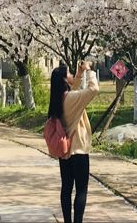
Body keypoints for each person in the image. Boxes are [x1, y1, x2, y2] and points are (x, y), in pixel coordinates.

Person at [49, 61, 100, 223]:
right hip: (78, 149)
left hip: (64, 152)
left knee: (66, 189)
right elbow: (94, 89)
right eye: (69, 74)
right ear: (64, 80)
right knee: (81, 190)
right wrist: (89, 71)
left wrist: (78, 74)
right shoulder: (72, 99)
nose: (71, 75)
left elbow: (74, 90)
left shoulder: (58, 99)